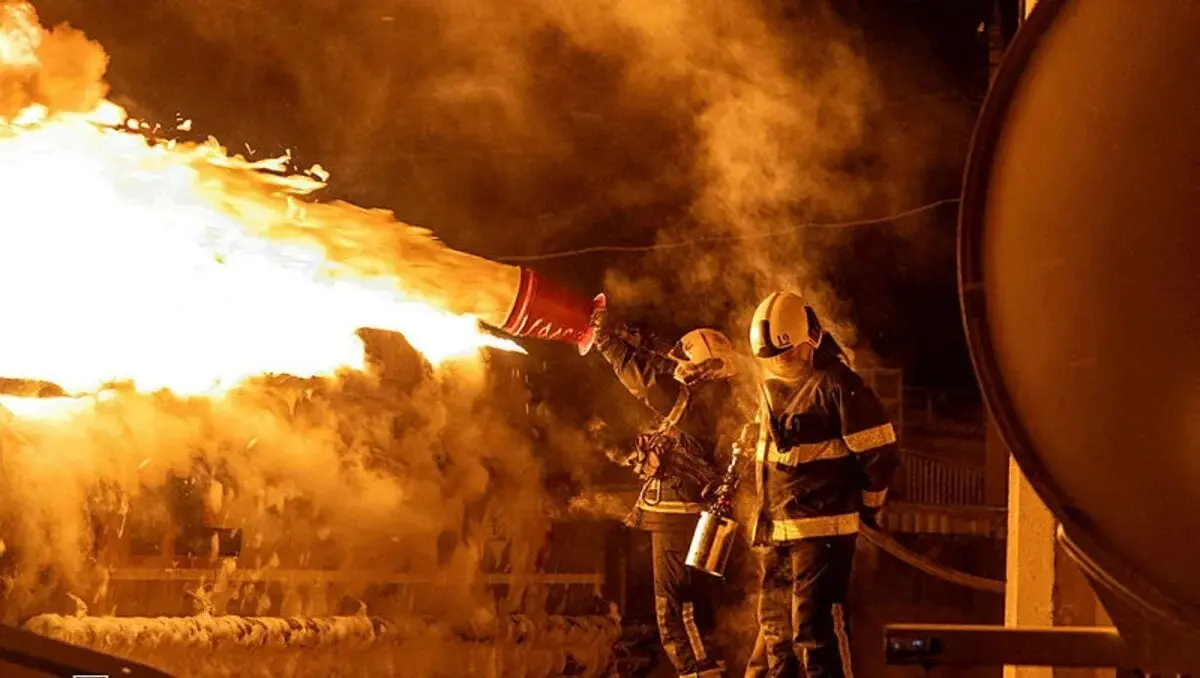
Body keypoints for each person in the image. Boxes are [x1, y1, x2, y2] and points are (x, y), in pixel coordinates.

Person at [742, 291, 900, 678]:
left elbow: (879, 454)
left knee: (813, 632)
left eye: (789, 352)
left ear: (809, 338)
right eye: (772, 356)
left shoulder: (838, 386)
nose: (781, 362)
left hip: (824, 531)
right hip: (778, 530)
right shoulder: (769, 388)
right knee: (777, 632)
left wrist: (868, 505)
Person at [591, 307, 741, 678]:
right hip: (695, 517)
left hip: (679, 517)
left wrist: (607, 341)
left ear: (698, 367)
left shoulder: (695, 403)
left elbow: (644, 382)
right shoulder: (722, 403)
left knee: (675, 610)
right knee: (696, 611)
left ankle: (698, 673)